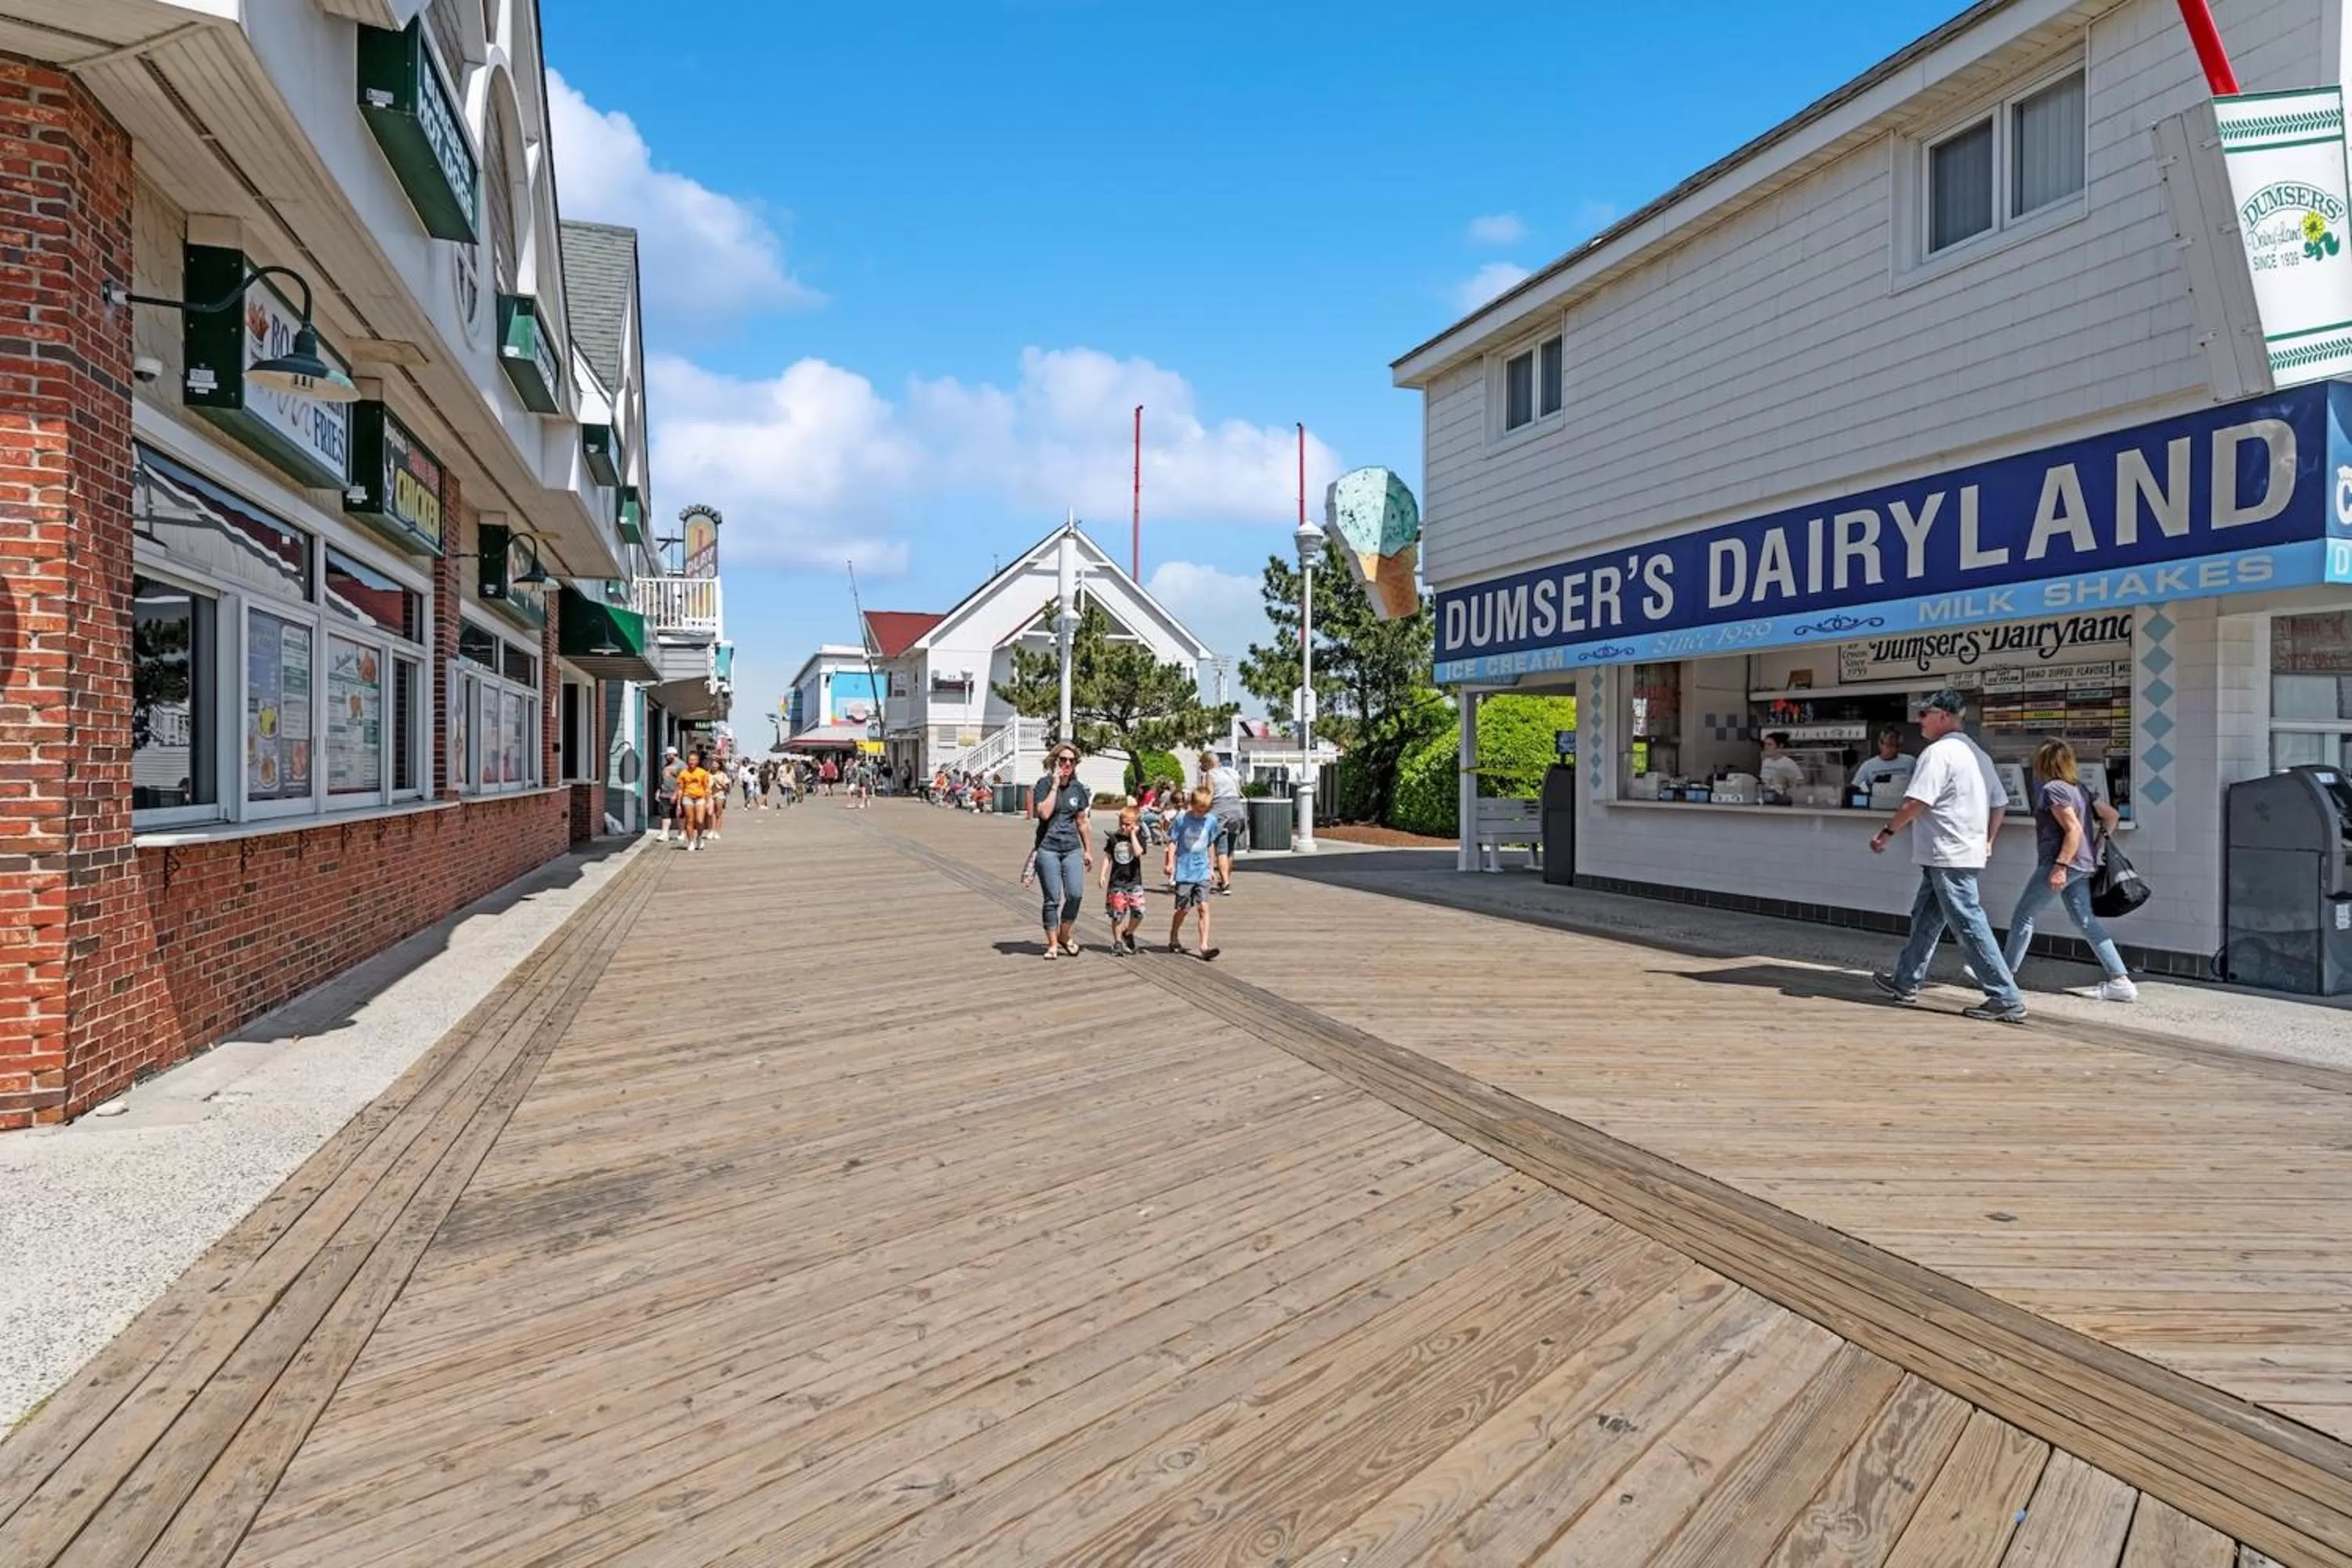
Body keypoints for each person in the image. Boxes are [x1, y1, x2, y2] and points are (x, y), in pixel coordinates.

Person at [1868, 689, 2025, 1022]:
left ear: (1943, 716)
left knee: (1968, 922)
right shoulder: (1977, 754)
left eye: (1924, 714)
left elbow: (1917, 802)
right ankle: (1905, 980)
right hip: (1956, 852)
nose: (1920, 721)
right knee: (1926, 916)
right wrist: (1988, 840)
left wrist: (1888, 831)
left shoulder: (1938, 753)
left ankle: (2005, 996)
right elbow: (2000, 803)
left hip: (1947, 853)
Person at [1999, 739, 2136, 1002]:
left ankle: (2003, 977)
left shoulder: (2053, 790)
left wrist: (2060, 866)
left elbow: (2072, 830)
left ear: (2043, 763)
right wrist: (2097, 845)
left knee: (2023, 916)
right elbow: (2112, 816)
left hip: (2061, 863)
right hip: (2082, 865)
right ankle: (2121, 981)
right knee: (2085, 921)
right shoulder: (2079, 788)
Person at [1030, 743, 1093, 959]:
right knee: (1052, 898)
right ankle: (1053, 944)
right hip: (1048, 848)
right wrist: (1055, 786)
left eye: (1071, 761)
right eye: (1063, 760)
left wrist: (1088, 850)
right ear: (1055, 761)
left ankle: (1064, 934)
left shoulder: (1078, 788)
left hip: (1071, 848)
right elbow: (1044, 814)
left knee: (1075, 894)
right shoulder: (1044, 784)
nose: (1067, 764)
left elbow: (1082, 822)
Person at [1164, 782, 1221, 960]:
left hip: (1202, 870)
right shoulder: (1182, 819)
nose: (1201, 814)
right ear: (1192, 804)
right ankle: (1174, 935)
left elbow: (1210, 844)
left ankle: (1204, 946)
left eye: (1205, 810)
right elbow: (1173, 841)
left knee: (1203, 907)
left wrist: (1211, 867)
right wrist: (1170, 863)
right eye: (1199, 810)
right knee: (1183, 909)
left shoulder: (1211, 821)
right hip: (1184, 870)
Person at [1099, 804, 1149, 956]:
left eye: (1128, 824)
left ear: (1135, 824)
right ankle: (1117, 942)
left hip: (1134, 881)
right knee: (1118, 913)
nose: (1123, 827)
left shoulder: (1139, 838)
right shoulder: (1114, 838)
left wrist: (1133, 834)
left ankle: (1128, 933)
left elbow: (1138, 852)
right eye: (1122, 823)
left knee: (1139, 912)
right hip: (1117, 882)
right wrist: (1102, 874)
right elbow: (1108, 857)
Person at [1201, 750, 1246, 895]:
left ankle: (1225, 883)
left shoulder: (1210, 774)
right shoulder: (1231, 772)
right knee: (1230, 849)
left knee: (1221, 849)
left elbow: (1210, 795)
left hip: (1220, 811)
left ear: (1207, 763)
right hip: (1237, 810)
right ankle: (1225, 879)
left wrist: (1201, 810)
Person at [1852, 728, 1915, 793]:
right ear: (1880, 744)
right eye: (1890, 745)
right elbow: (1856, 787)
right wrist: (1868, 790)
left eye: (1897, 746)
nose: (1894, 750)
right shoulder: (1868, 766)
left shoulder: (1910, 762)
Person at [676, 747, 714, 851]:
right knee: (690, 820)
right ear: (687, 761)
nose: (692, 762)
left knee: (700, 821)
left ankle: (699, 837)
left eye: (694, 760)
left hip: (700, 798)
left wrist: (709, 801)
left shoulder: (702, 773)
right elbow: (680, 789)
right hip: (687, 797)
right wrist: (678, 804)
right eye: (690, 760)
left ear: (698, 761)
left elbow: (706, 788)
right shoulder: (683, 773)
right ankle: (691, 842)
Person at [1759, 732, 1806, 800]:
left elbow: (1799, 783)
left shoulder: (1788, 763)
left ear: (1780, 746)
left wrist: (1787, 790)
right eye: (1765, 744)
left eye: (1769, 745)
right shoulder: (1765, 762)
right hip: (1766, 797)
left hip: (1781, 798)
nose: (1766, 747)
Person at [655, 745, 682, 843]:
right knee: (665, 814)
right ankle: (664, 833)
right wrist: (658, 791)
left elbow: (682, 781)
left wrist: (676, 794)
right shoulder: (665, 766)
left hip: (676, 794)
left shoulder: (681, 765)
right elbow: (662, 779)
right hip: (664, 793)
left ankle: (681, 832)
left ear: (672, 755)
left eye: (666, 755)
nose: (665, 757)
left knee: (679, 815)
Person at [707, 756, 730, 840]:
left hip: (720, 794)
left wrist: (720, 783)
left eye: (716, 764)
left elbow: (727, 788)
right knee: (710, 813)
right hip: (709, 794)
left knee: (718, 813)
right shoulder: (707, 774)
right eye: (713, 764)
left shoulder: (723, 774)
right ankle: (711, 831)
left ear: (719, 765)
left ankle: (717, 832)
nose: (714, 765)